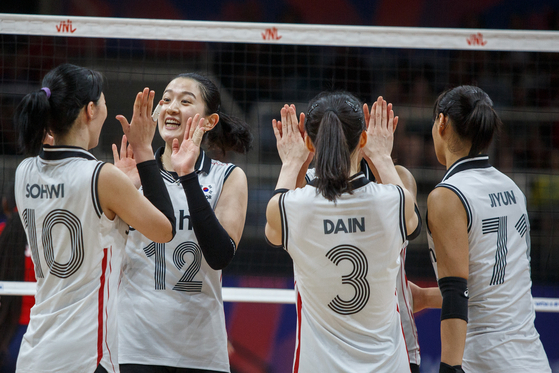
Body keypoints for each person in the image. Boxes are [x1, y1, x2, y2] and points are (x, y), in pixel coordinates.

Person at [12, 63, 177, 373]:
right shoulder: (101, 177)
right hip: (84, 355)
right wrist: (143, 151)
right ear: (90, 110)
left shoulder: (24, 172)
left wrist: (121, 189)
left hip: (35, 350)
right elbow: (165, 229)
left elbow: (83, 209)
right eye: (102, 101)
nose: (104, 108)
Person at [265, 92, 418, 372]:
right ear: (363, 139)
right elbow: (413, 223)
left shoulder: (290, 208)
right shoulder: (395, 202)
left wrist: (291, 163)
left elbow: (276, 227)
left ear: (309, 142)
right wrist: (382, 156)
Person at [116, 73, 251, 373]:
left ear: (209, 121)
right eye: (166, 99)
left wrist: (188, 175)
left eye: (185, 101)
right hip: (134, 346)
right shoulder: (128, 175)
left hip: (200, 350)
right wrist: (116, 200)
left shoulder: (228, 177)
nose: (172, 107)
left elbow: (219, 255)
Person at [304, 103, 442, 373]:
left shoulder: (397, 179)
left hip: (392, 344)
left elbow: (409, 225)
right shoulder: (308, 187)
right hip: (329, 346)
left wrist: (381, 157)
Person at [426, 85, 551, 373]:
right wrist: (424, 297)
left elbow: (458, 293)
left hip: (484, 360)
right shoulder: (512, 188)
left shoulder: (447, 195)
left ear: (442, 122)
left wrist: (450, 367)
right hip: (532, 358)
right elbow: (495, 288)